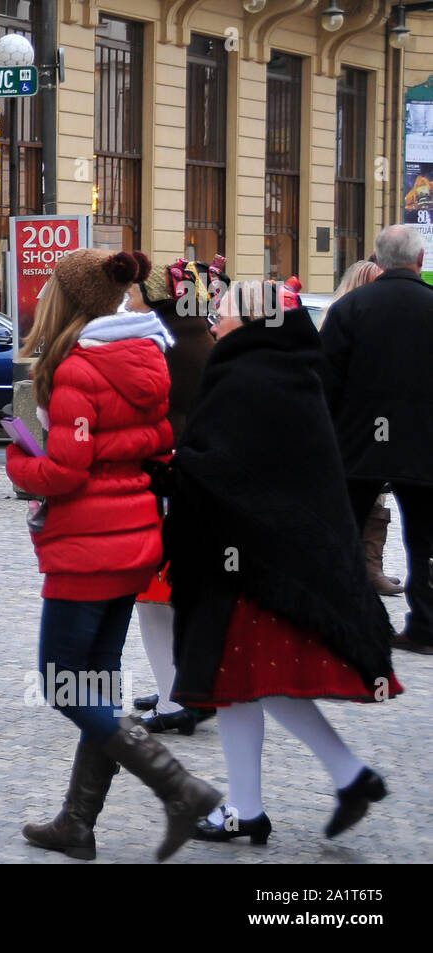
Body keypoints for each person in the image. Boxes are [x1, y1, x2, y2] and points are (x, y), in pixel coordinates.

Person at [165, 280, 401, 844]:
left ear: (249, 322)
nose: (214, 323)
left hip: (254, 562)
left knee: (246, 680)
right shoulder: (286, 367)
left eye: (221, 314)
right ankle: (258, 806)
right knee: (244, 682)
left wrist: (171, 469)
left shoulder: (247, 376)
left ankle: (311, 787)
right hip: (262, 557)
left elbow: (229, 469)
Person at [7, 248, 221, 863]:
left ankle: (180, 788)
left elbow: (65, 471)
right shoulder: (144, 354)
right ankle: (77, 823)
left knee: (63, 683)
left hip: (88, 546)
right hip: (134, 539)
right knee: (95, 680)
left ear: (70, 300)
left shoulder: (77, 369)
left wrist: (20, 456)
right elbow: (158, 440)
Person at [320, 224, 433, 654]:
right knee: (426, 541)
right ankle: (427, 626)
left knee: (343, 536)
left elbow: (325, 383)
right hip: (425, 448)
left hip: (357, 446)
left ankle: (353, 623)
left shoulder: (352, 308)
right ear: (420, 261)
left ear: (377, 259)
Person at [128, 257, 224, 735]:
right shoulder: (200, 336)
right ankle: (183, 685)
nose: (128, 296)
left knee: (154, 596)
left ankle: (176, 699)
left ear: (156, 297)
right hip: (195, 478)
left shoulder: (160, 343)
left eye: (136, 290)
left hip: (167, 479)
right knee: (173, 594)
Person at [322, 259, 403, 598]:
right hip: (349, 426)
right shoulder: (343, 316)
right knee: (353, 497)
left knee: (378, 493)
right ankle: (354, 570)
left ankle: (371, 566)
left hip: (378, 422)